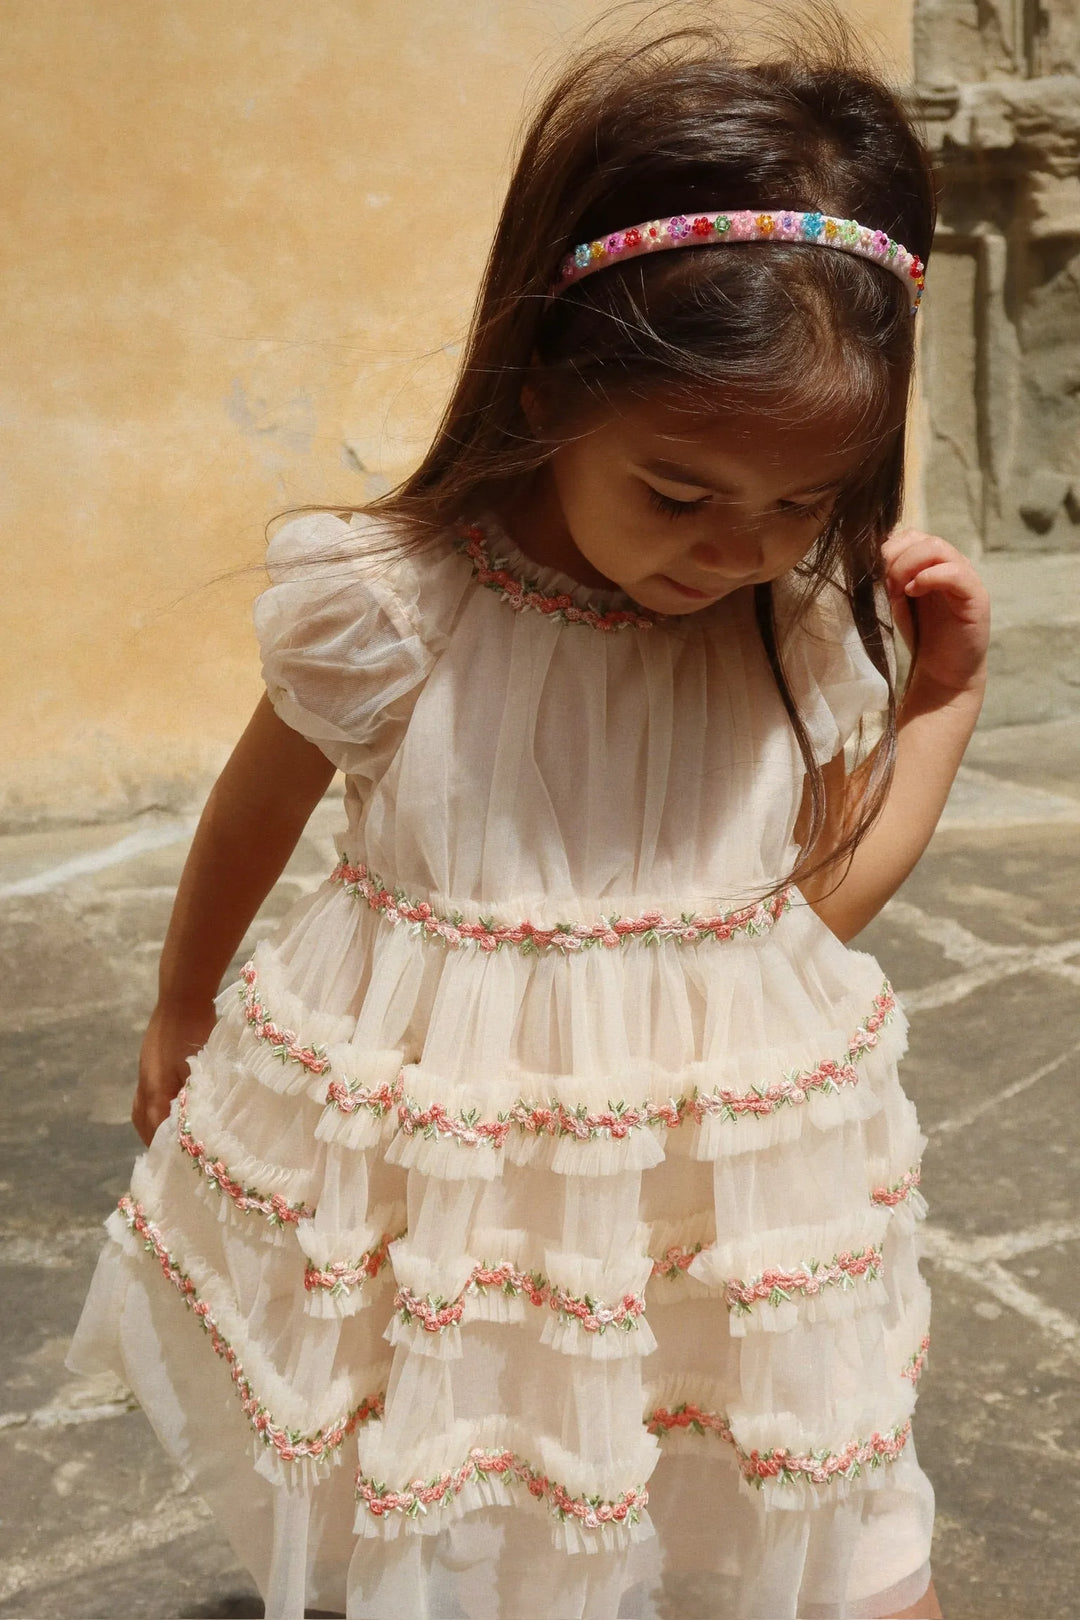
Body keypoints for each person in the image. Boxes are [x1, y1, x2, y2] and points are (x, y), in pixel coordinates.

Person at [67, 11, 988, 1619]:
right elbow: (254, 807)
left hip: (718, 1212)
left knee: (817, 1510)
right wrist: (179, 995)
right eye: (681, 492)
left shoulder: (788, 625)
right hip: (468, 1207)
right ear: (552, 381)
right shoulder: (401, 610)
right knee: (480, 1512)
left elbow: (806, 923)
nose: (734, 546)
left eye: (799, 504)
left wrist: (943, 704)